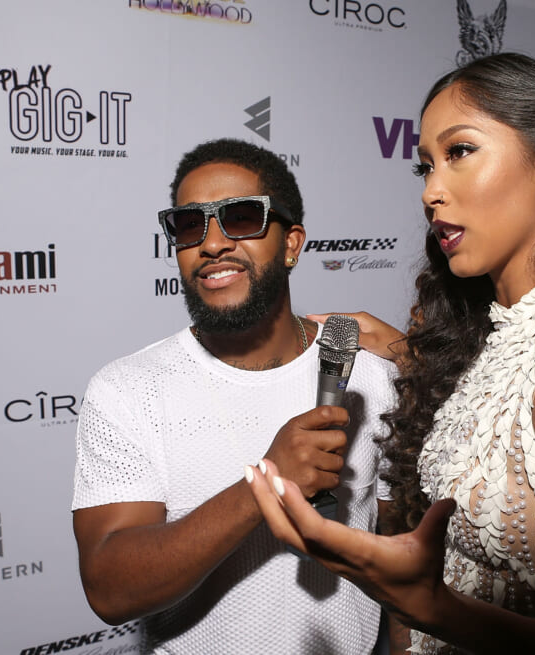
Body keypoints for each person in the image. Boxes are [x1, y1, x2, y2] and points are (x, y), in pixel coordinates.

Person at [246, 53, 535, 654]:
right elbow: (507, 416)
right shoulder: (497, 327)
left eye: (460, 151)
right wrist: (407, 353)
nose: (431, 192)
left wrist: (425, 605)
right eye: (425, 166)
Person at [71, 138, 397, 654]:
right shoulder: (127, 390)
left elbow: (402, 561)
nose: (213, 244)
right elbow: (110, 588)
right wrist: (264, 485)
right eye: (189, 225)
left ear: (291, 244)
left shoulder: (371, 376)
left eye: (241, 218)